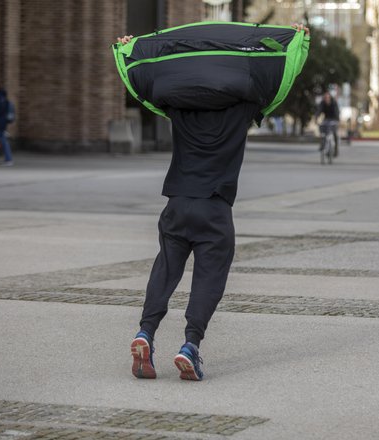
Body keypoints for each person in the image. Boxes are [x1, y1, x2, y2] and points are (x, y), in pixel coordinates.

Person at [120, 24, 310, 381]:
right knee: (210, 275)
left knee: (166, 267)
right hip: (215, 207)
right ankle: (190, 345)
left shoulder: (178, 106)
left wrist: (132, 50)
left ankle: (145, 332)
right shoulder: (243, 106)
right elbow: (278, 85)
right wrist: (297, 43)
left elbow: (145, 90)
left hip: (177, 203)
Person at [315, 91, 340, 156]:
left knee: (335, 135)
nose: (326, 99)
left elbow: (337, 112)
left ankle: (335, 150)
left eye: (328, 97)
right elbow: (319, 111)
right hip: (326, 119)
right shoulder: (322, 103)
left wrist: (337, 120)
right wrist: (316, 118)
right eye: (325, 97)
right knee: (322, 131)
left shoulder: (334, 103)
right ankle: (322, 145)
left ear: (330, 97)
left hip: (334, 119)